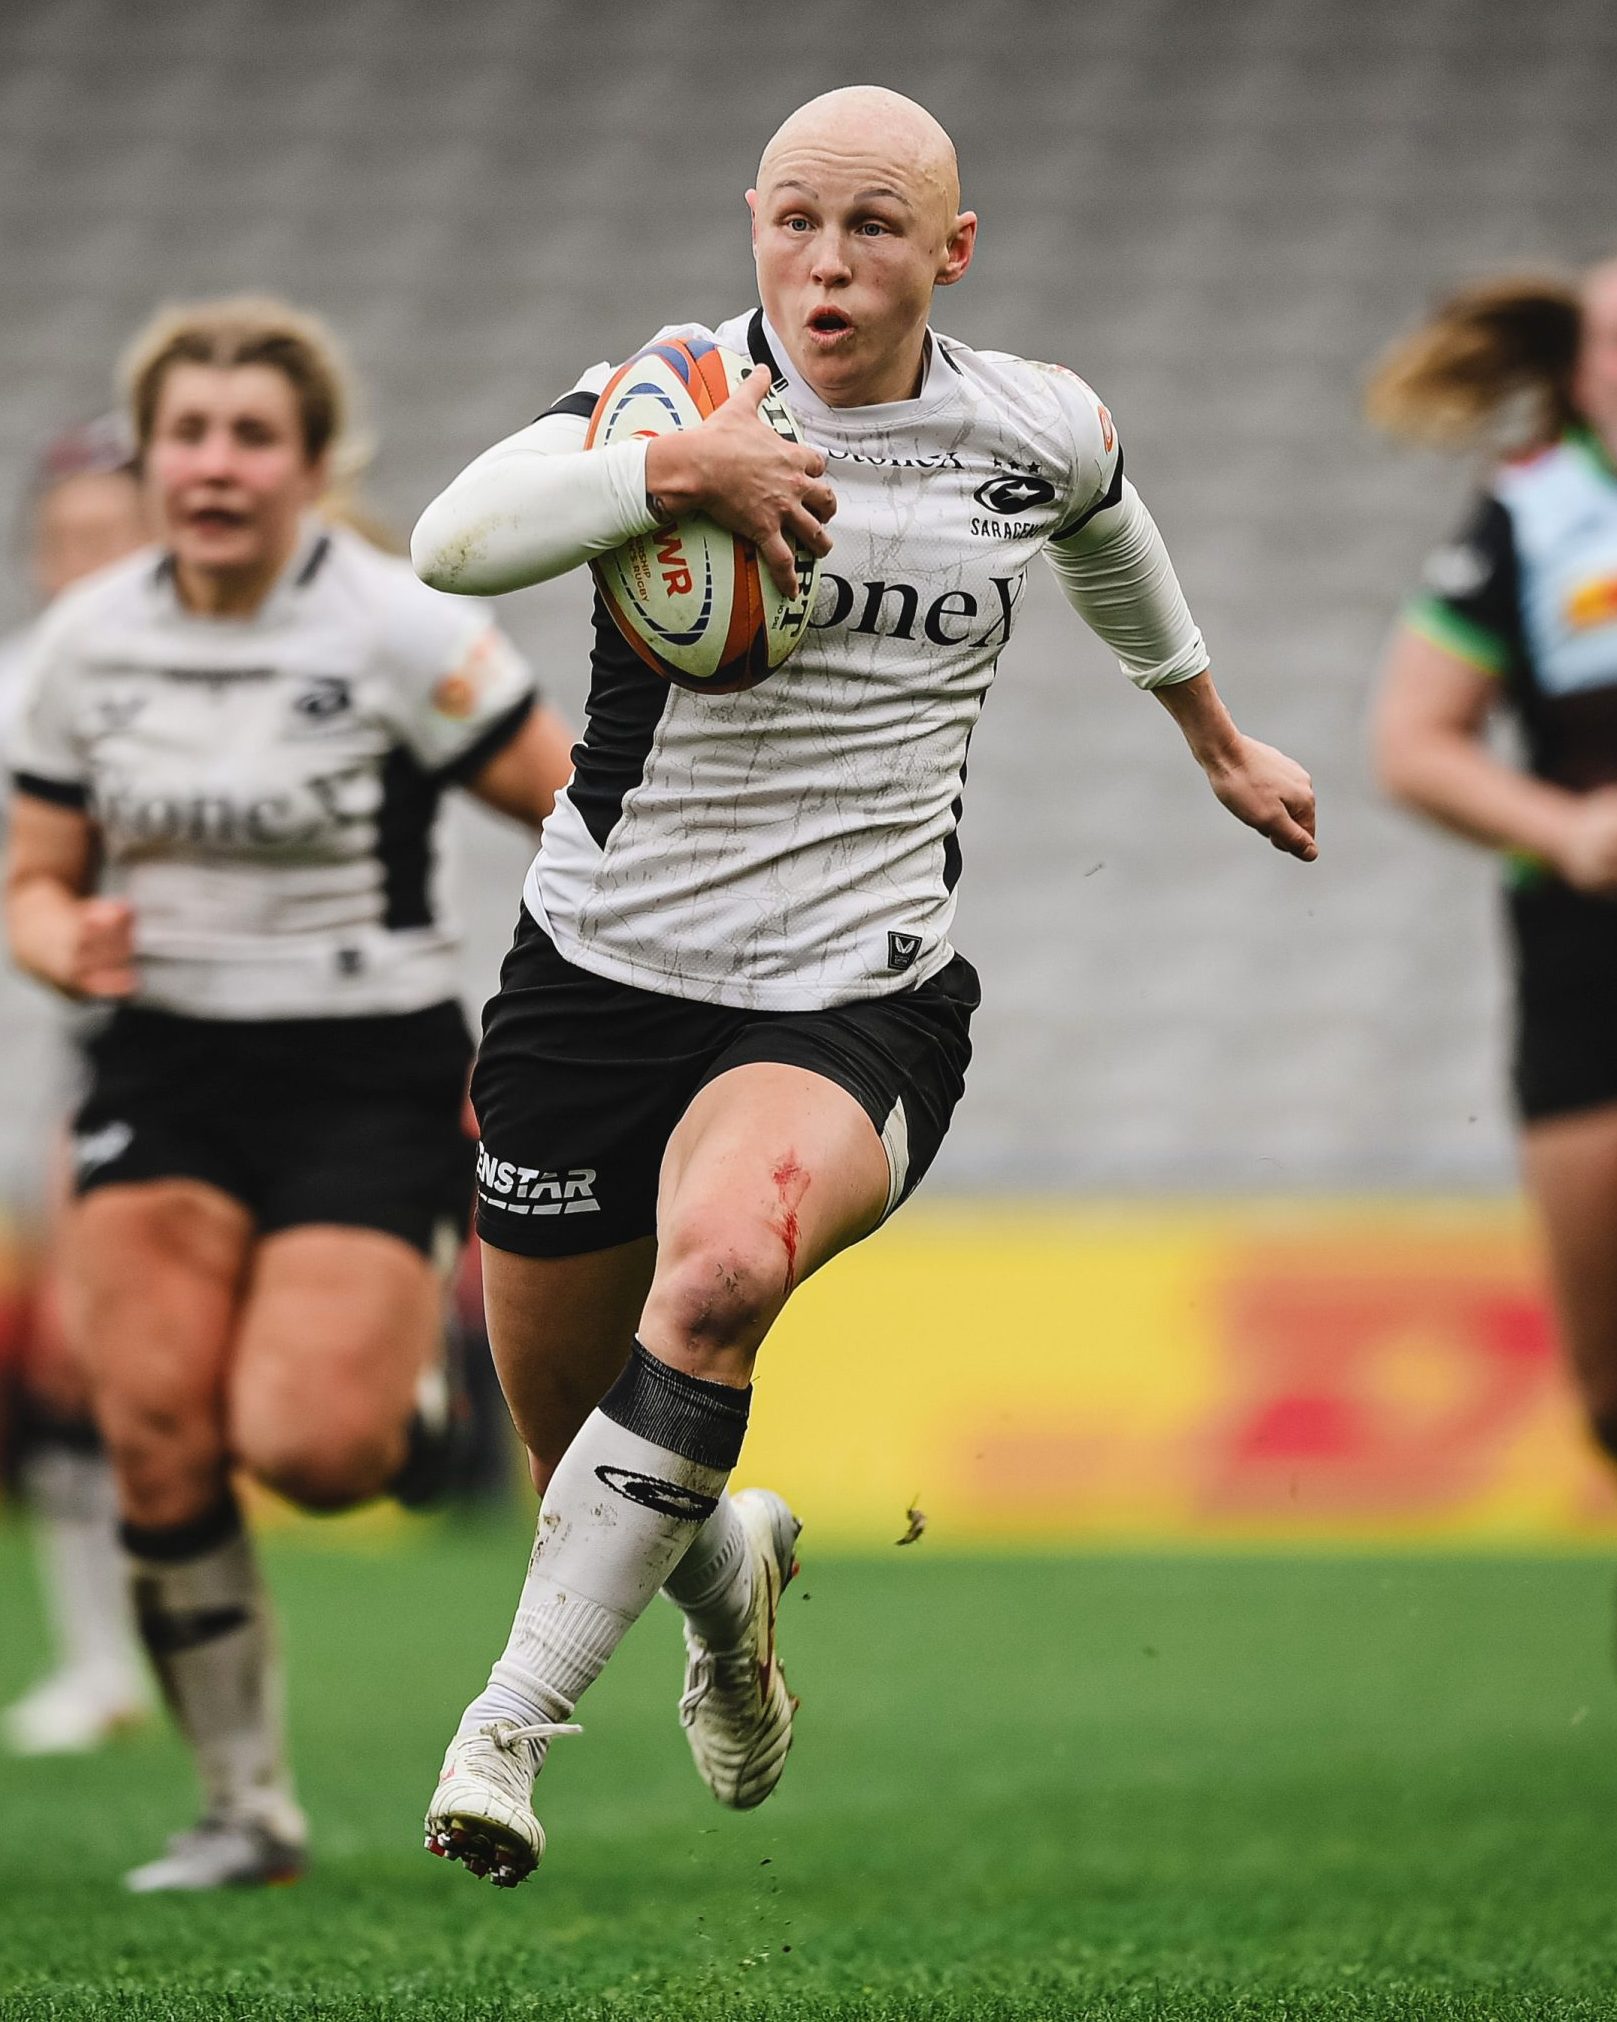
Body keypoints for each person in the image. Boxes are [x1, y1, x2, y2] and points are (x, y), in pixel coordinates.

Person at [410, 85, 1317, 1889]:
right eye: (797, 223)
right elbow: (449, 544)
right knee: (582, 1453)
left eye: (876, 229)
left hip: (850, 985)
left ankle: (503, 1731)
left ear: (950, 251)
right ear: (751, 222)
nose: (829, 265)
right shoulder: (665, 397)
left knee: (729, 1264)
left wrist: (1209, 732)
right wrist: (677, 478)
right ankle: (726, 1587)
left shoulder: (1026, 425)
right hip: (595, 976)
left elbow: (1107, 529)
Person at [2, 294, 575, 1891]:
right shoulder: (89, 639)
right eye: (190, 432)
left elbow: (573, 806)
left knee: (313, 1452)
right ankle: (245, 1807)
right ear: (154, 454)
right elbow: (34, 876)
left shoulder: (400, 629)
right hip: (163, 1069)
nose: (217, 462)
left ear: (313, 463)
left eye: (255, 435)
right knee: (158, 1438)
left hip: (360, 1069)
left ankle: (399, 1398)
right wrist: (61, 936)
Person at [1370, 262, 1617, 1489]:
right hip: (1589, 954)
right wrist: (1567, 832)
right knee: (1610, 1392)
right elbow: (1412, 740)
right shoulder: (1531, 515)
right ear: (1578, 376)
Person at [0, 416, 154, 1756]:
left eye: (110, 535)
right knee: (68, 1364)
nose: (83, 561)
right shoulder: (24, 693)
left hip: (261, 1058)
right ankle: (104, 1662)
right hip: (82, 1057)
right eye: (65, 542)